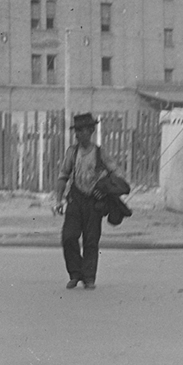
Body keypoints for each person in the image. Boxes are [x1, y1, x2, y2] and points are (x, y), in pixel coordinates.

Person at [54, 112, 118, 288]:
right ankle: (75, 273)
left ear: (91, 130)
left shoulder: (100, 153)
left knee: (91, 240)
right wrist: (58, 200)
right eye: (76, 131)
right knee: (68, 237)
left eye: (81, 130)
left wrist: (103, 189)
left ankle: (89, 277)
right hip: (75, 200)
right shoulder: (72, 152)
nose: (78, 134)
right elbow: (63, 176)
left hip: (93, 203)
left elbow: (115, 175)